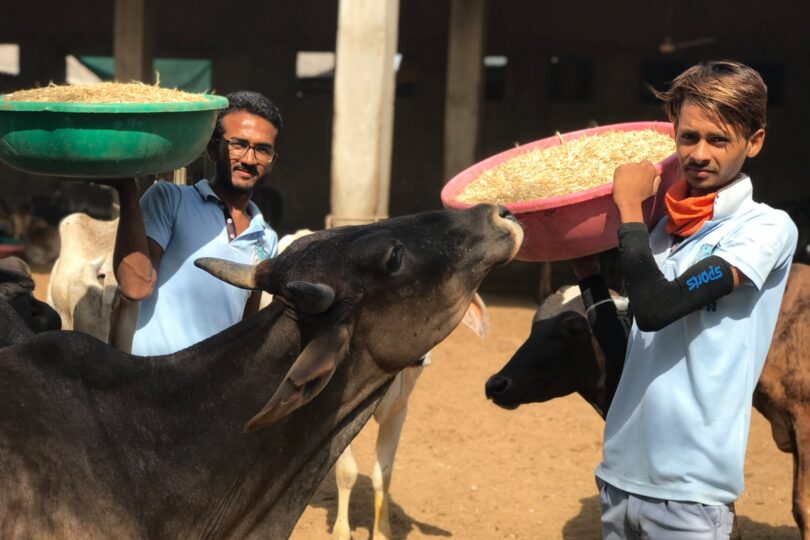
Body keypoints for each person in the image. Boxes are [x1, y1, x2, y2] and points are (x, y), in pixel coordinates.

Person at [575, 61, 797, 539]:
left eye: (718, 140)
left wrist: (629, 210)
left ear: (753, 142)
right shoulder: (661, 232)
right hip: (619, 480)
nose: (699, 154)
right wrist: (588, 273)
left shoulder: (763, 229)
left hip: (690, 494)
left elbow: (657, 309)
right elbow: (631, 349)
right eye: (688, 137)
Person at [110, 90, 282, 356]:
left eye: (262, 150)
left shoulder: (266, 240)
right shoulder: (169, 200)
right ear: (214, 148)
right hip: (148, 381)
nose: (249, 159)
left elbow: (248, 330)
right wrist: (127, 188)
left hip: (211, 389)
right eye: (239, 144)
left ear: (272, 161)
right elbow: (135, 287)